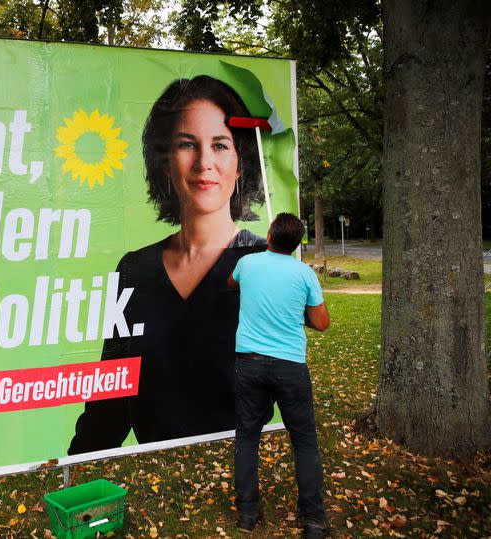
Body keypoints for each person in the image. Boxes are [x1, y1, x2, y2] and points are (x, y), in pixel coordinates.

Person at [68, 75, 267, 455]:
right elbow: (110, 395)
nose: (204, 162)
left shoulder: (263, 263)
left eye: (220, 145)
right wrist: (78, 470)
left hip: (242, 467)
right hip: (156, 477)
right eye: (187, 145)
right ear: (164, 162)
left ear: (240, 162)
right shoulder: (133, 270)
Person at [227, 212, 331, 538]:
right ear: (298, 243)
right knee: (304, 442)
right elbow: (322, 322)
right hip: (289, 365)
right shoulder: (305, 275)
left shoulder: (248, 264)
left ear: (269, 235)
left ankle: (247, 513)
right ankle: (313, 520)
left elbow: (230, 282)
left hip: (250, 363)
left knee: (247, 437)